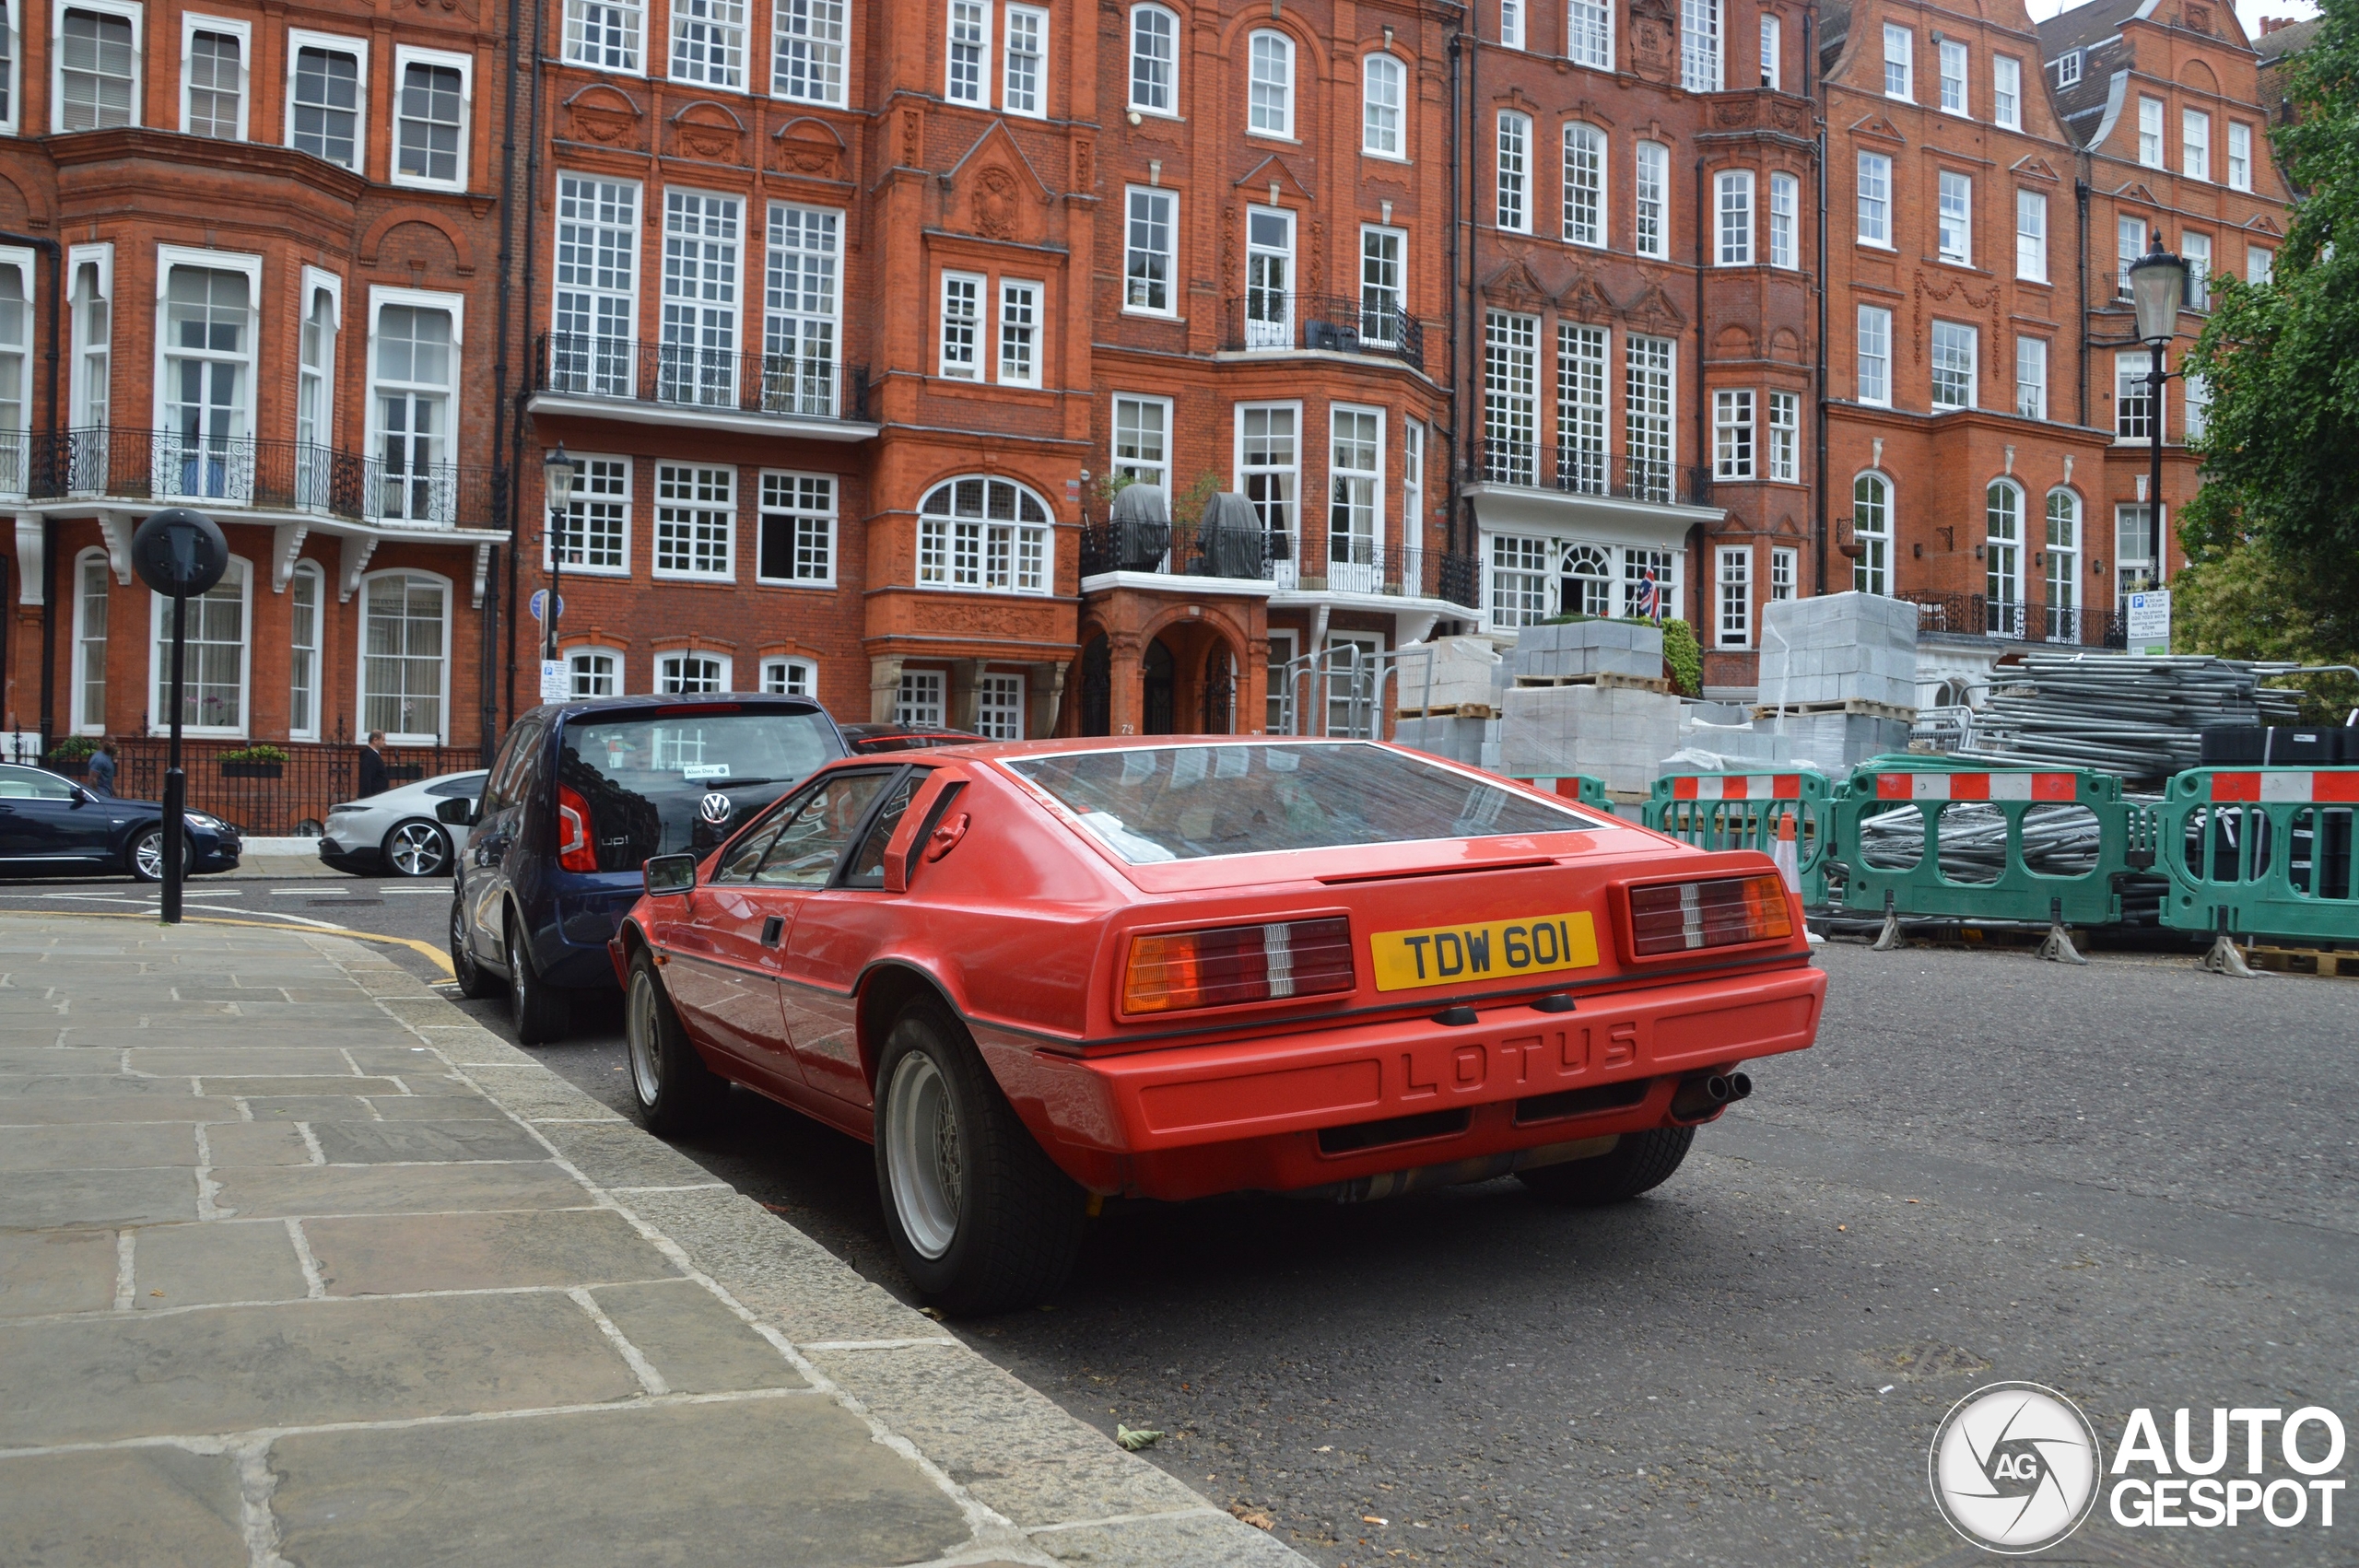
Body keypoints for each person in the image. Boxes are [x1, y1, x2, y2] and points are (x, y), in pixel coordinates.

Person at [358, 731, 389, 798]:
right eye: (383, 740)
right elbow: (366, 778)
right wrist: (367, 798)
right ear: (375, 740)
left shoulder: (372, 755)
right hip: (374, 796)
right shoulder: (369, 756)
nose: (385, 743)